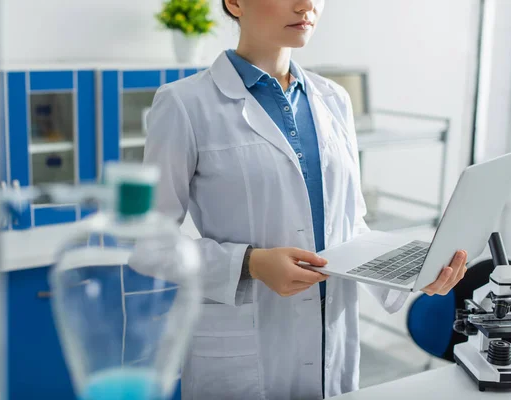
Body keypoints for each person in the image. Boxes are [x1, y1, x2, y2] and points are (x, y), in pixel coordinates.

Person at [144, 0, 468, 398]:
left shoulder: (333, 98)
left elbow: (351, 225)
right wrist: (250, 264)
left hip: (331, 341)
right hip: (244, 351)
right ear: (233, 3)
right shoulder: (184, 104)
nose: (308, 5)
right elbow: (149, 244)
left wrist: (415, 270)